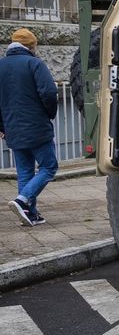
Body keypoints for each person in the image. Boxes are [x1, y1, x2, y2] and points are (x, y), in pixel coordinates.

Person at [0, 28, 58, 226]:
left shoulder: (1, 66)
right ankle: (21, 200)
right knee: (49, 167)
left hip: (12, 128)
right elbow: (49, 93)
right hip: (36, 127)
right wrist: (49, 114)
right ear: (31, 46)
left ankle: (30, 214)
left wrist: (2, 126)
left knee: (25, 172)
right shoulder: (34, 63)